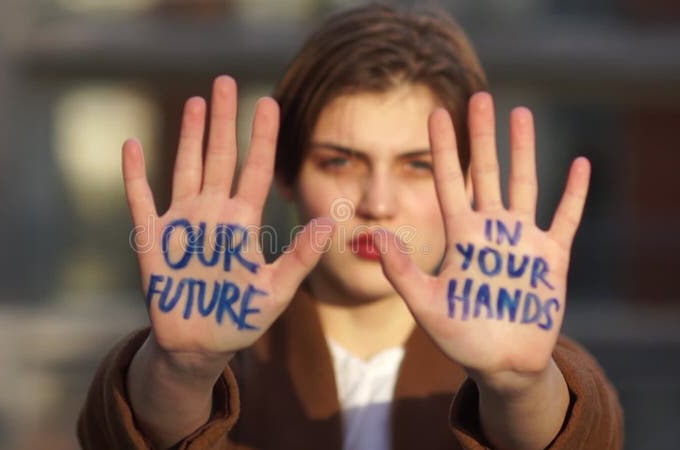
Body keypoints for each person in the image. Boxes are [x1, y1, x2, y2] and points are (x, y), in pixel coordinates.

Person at [77, 3, 623, 450]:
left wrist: (520, 387)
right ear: (286, 175)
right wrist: (181, 372)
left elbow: (589, 432)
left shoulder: (516, 350)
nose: (378, 203)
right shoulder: (226, 351)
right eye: (340, 161)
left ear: (468, 181)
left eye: (418, 165)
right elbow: (116, 433)